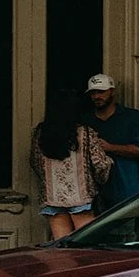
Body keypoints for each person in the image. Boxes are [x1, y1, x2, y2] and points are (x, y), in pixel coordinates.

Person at [33, 89, 111, 240]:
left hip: (53, 197)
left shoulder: (41, 133)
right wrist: (100, 180)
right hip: (81, 197)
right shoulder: (86, 133)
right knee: (86, 246)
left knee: (62, 246)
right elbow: (100, 164)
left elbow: (35, 162)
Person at [82, 72, 139, 209]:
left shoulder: (132, 117)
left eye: (101, 92)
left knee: (126, 228)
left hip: (125, 190)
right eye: (93, 93)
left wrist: (110, 147)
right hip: (94, 192)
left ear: (112, 91)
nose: (96, 96)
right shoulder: (86, 121)